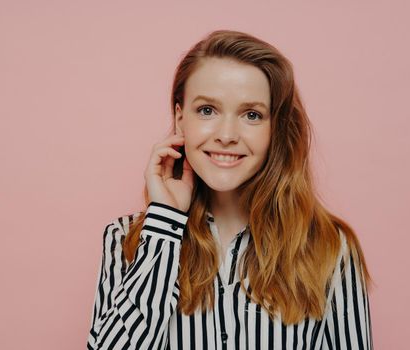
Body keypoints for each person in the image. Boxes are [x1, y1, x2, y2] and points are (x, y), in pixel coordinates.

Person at [86, 29, 374, 349]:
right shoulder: (126, 239)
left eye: (251, 115)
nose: (226, 135)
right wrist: (164, 221)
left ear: (274, 128)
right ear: (181, 119)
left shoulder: (330, 246)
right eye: (207, 110)